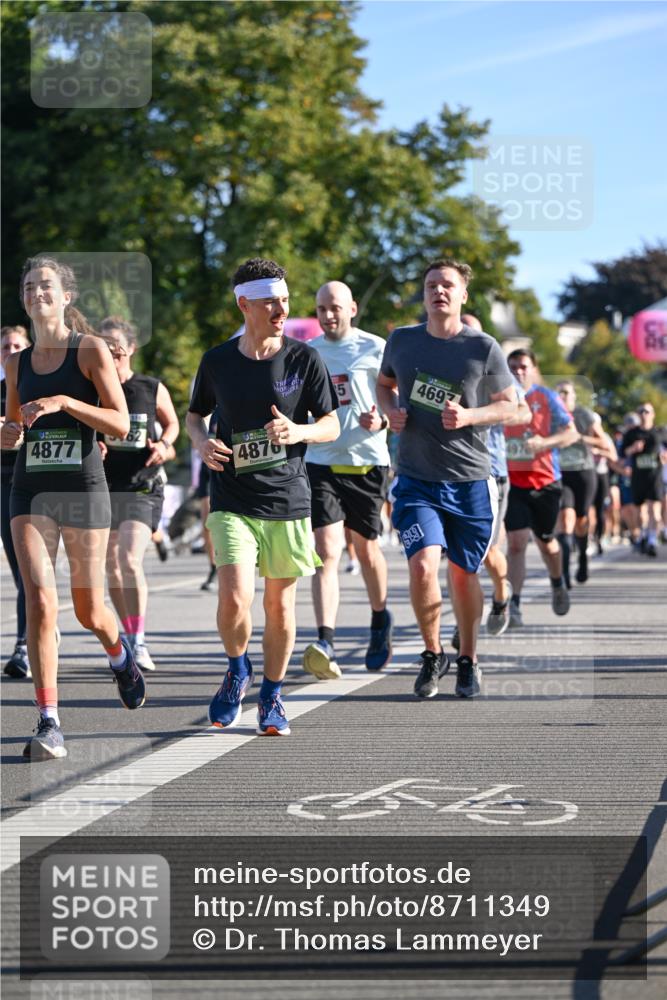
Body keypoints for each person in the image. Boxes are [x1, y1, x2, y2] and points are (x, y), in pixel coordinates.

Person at [186, 258, 339, 736]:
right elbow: (195, 416)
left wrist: (299, 430)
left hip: (287, 499)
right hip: (231, 496)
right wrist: (201, 441)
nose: (281, 308)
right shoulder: (217, 361)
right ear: (244, 304)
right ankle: (237, 669)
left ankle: (272, 695)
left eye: (285, 299)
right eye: (271, 300)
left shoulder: (304, 358)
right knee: (234, 598)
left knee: (279, 608)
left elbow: (332, 424)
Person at [1, 256, 145, 761]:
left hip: (83, 487)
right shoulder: (16, 362)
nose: (36, 293)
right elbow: (13, 429)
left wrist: (65, 401)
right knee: (40, 599)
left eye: (45, 286)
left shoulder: (90, 350)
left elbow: (121, 424)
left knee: (89, 609)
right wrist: (9, 431)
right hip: (30, 489)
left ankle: (119, 653)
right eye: (29, 286)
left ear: (66, 297)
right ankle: (49, 721)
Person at [376, 259, 518, 701]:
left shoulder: (483, 347)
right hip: (417, 479)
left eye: (447, 285)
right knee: (422, 565)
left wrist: (471, 415)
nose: (439, 291)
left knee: (462, 574)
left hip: (471, 479)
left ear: (462, 295)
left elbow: (510, 405)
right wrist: (390, 410)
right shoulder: (401, 341)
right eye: (431, 285)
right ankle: (432, 652)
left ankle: (468, 658)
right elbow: (384, 385)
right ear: (424, 294)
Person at [302, 280, 393, 679]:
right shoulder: (308, 353)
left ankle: (379, 619)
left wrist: (384, 419)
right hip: (321, 460)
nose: (328, 315)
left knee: (366, 549)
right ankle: (326, 640)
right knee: (326, 550)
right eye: (322, 308)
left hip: (366, 462)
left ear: (352, 308)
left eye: (335, 307)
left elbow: (397, 397)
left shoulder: (375, 347)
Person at [98, 316, 180, 672]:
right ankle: (128, 635)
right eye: (104, 350)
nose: (112, 357)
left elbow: (173, 423)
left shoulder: (149, 386)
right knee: (111, 568)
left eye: (117, 350)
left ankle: (139, 640)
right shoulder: (92, 389)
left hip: (142, 484)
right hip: (103, 486)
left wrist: (164, 444)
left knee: (129, 559)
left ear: (130, 349)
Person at [449, 314, 531, 650]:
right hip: (447, 471)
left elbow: (523, 411)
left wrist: (486, 412)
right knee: (455, 558)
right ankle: (462, 623)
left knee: (484, 553)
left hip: (491, 473)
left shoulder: (495, 367)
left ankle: (501, 591)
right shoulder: (442, 364)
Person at [504, 350, 577, 627]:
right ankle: (515, 605)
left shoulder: (546, 397)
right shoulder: (501, 397)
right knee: (516, 542)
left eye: (523, 366)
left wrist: (544, 443)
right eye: (512, 367)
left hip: (546, 481)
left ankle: (557, 583)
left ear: (533, 369)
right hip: (514, 483)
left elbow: (571, 433)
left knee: (546, 541)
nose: (518, 372)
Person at [555, 381, 610, 585]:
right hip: (561, 474)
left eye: (566, 393)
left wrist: (579, 438)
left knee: (581, 520)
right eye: (559, 393)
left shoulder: (583, 414)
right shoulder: (551, 415)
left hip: (584, 474)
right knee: (565, 518)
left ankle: (583, 559)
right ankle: (565, 571)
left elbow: (602, 442)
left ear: (574, 396)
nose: (562, 396)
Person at [2, 325, 31, 677]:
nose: (11, 350)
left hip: (35, 482)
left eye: (17, 345)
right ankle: (38, 624)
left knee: (29, 571)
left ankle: (23, 645)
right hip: (3, 482)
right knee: (18, 569)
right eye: (6, 345)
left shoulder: (37, 383)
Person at [620, 402, 666, 558]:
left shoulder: (661, 432)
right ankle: (644, 535)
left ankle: (652, 540)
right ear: (638, 414)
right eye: (641, 411)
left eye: (647, 411)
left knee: (655, 509)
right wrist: (633, 449)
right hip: (638, 477)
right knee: (640, 512)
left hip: (655, 476)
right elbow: (622, 454)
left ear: (653, 414)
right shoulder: (631, 434)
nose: (644, 414)